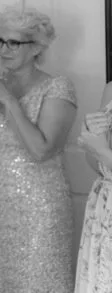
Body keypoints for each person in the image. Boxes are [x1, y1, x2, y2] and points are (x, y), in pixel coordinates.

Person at [0, 6, 77, 292]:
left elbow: (41, 150)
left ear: (37, 47)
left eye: (13, 42)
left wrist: (9, 101)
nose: (3, 49)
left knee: (37, 279)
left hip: (40, 209)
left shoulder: (57, 87)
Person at [75, 82, 112, 292]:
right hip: (103, 214)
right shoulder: (111, 90)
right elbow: (96, 165)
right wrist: (92, 143)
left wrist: (103, 151)